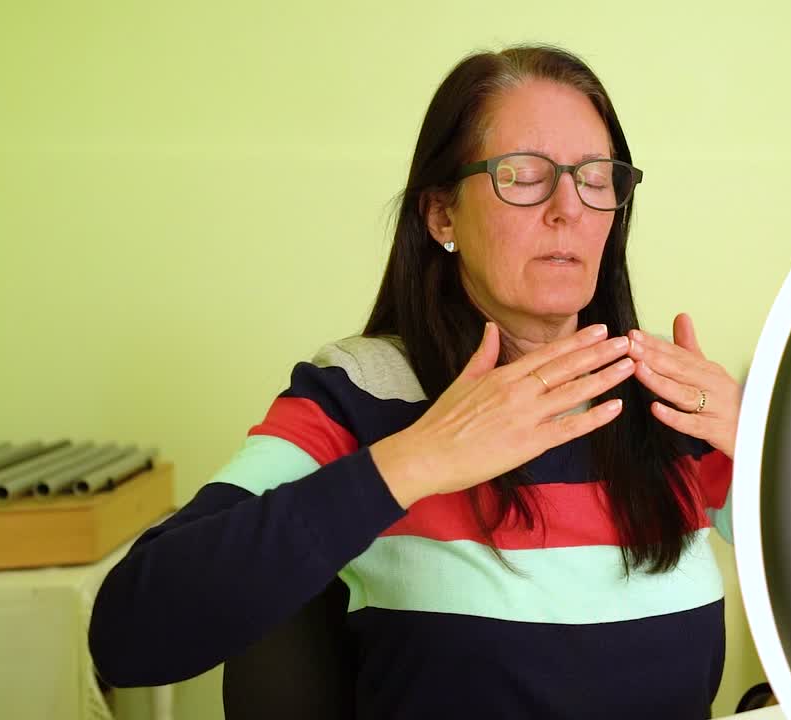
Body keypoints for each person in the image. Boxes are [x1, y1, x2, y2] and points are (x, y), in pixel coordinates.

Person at [89, 44, 742, 719]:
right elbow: (130, 635)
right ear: (441, 215)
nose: (567, 208)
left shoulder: (669, 397)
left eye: (595, 177)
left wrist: (770, 450)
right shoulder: (360, 395)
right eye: (523, 175)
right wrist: (417, 459)